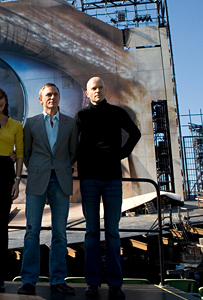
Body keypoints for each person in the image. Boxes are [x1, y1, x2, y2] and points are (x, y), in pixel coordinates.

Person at [75, 77, 141, 299]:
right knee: (91, 231)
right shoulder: (81, 116)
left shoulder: (117, 112)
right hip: (89, 179)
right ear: (87, 92)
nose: (97, 91)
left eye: (100, 87)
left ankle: (115, 283)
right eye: (93, 88)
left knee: (112, 231)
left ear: (104, 90)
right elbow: (72, 143)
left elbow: (135, 133)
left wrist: (121, 154)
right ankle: (92, 283)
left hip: (112, 179)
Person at [18, 83, 78, 296]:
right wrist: (37, 168)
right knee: (31, 231)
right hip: (37, 179)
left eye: (55, 94)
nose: (52, 97)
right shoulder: (31, 123)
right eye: (48, 95)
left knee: (60, 233)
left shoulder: (70, 124)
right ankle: (28, 280)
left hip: (61, 179)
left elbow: (73, 152)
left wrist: (59, 166)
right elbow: (25, 152)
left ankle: (58, 279)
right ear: (40, 99)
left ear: (59, 98)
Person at [0, 89, 24, 293]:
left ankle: (0, 276)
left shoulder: (15, 125)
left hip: (5, 175)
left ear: (5, 102)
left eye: (1, 99)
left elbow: (21, 153)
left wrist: (17, 180)